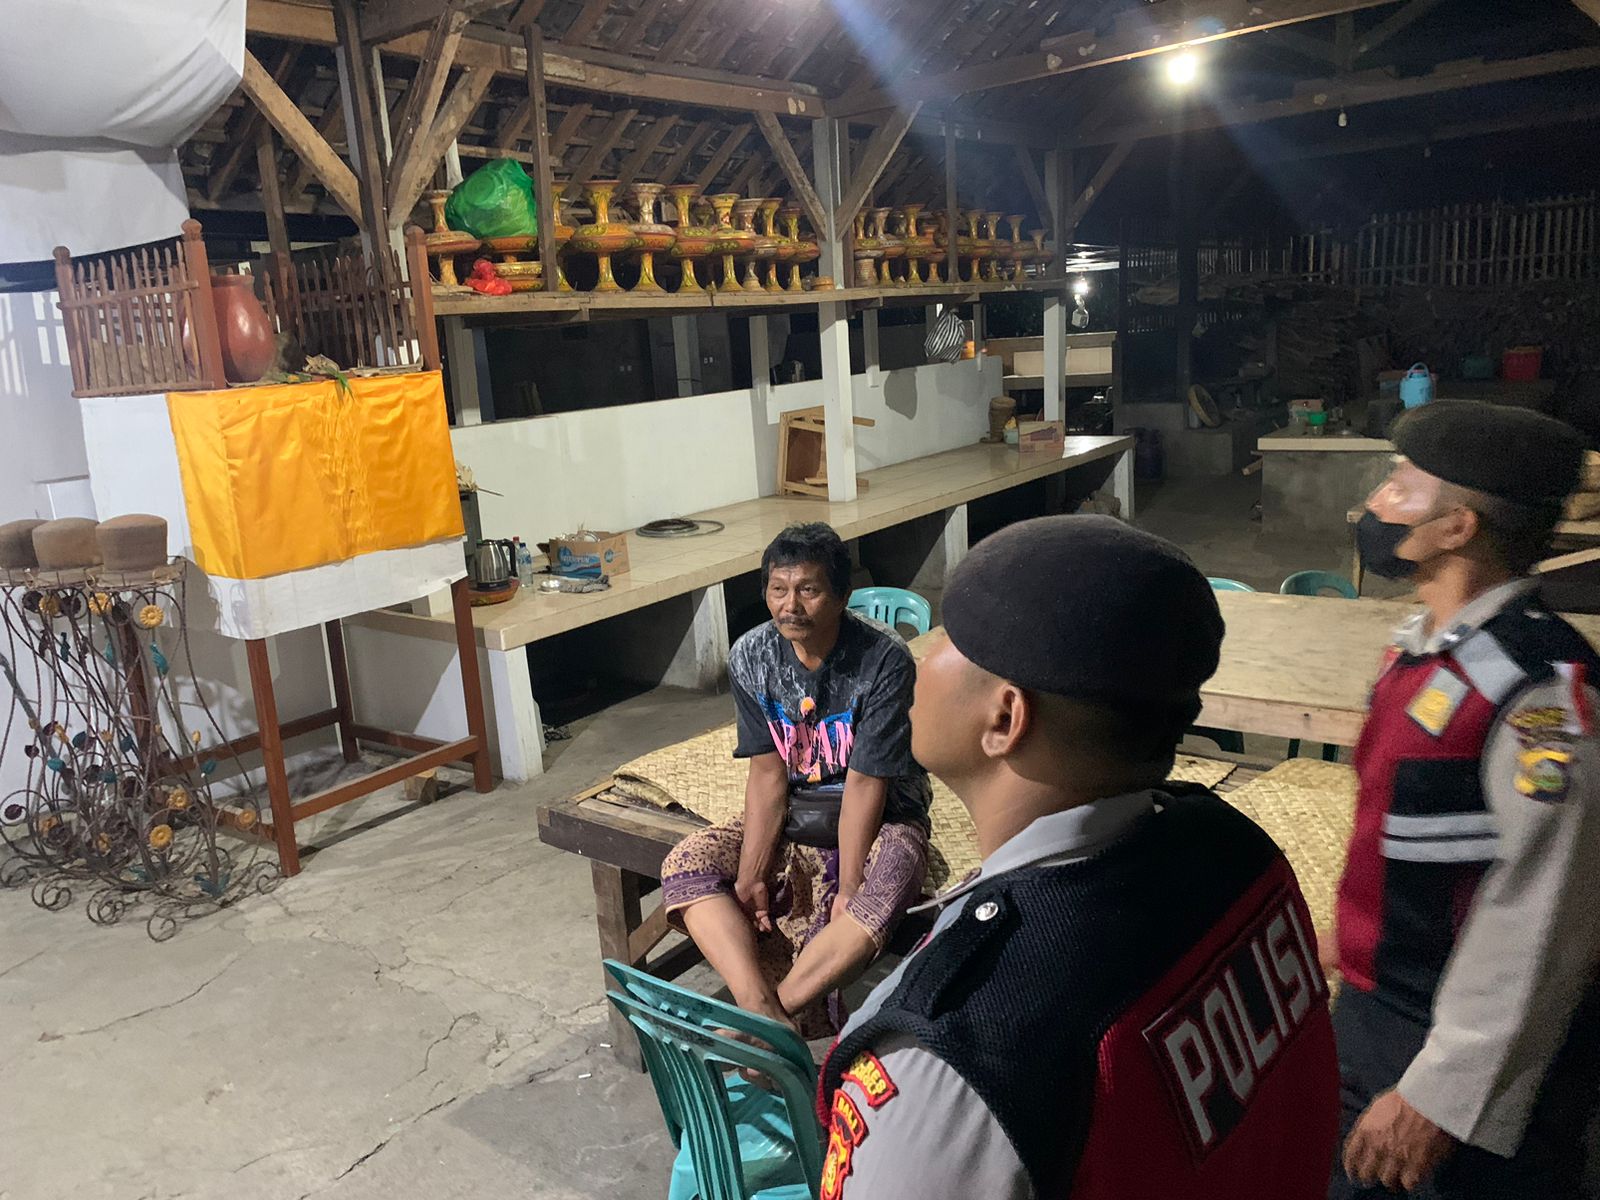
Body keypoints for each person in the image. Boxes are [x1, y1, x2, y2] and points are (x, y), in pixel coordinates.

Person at [817, 516, 1340, 1200]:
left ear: (1005, 718)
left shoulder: (953, 1057)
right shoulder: (1240, 853)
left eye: (949, 635)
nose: (920, 653)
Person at [1330, 400, 1600, 1198]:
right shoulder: (1428, 652)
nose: (1376, 503)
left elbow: (1547, 911)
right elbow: (1413, 837)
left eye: (1400, 486)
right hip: (1386, 1004)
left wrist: (1442, 1095)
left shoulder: (1536, 691)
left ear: (1456, 527)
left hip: (1455, 1044)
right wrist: (1352, 936)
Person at [660, 522, 931, 1034]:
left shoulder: (884, 659)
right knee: (686, 862)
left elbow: (866, 782)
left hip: (886, 811)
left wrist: (849, 884)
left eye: (808, 590)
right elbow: (768, 773)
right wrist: (751, 874)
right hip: (798, 807)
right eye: (778, 589)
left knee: (880, 891)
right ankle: (758, 1007)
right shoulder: (750, 656)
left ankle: (768, 1024)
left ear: (841, 596)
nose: (791, 606)